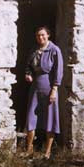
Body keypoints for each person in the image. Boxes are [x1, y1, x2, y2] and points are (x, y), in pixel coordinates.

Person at [22, 26, 63, 159]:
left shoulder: (54, 50)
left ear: (48, 35)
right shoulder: (34, 50)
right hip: (35, 87)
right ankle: (29, 149)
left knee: (50, 118)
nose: (40, 37)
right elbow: (28, 65)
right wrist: (28, 74)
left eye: (43, 35)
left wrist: (54, 90)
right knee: (31, 116)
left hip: (49, 87)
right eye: (38, 35)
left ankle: (47, 151)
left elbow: (58, 71)